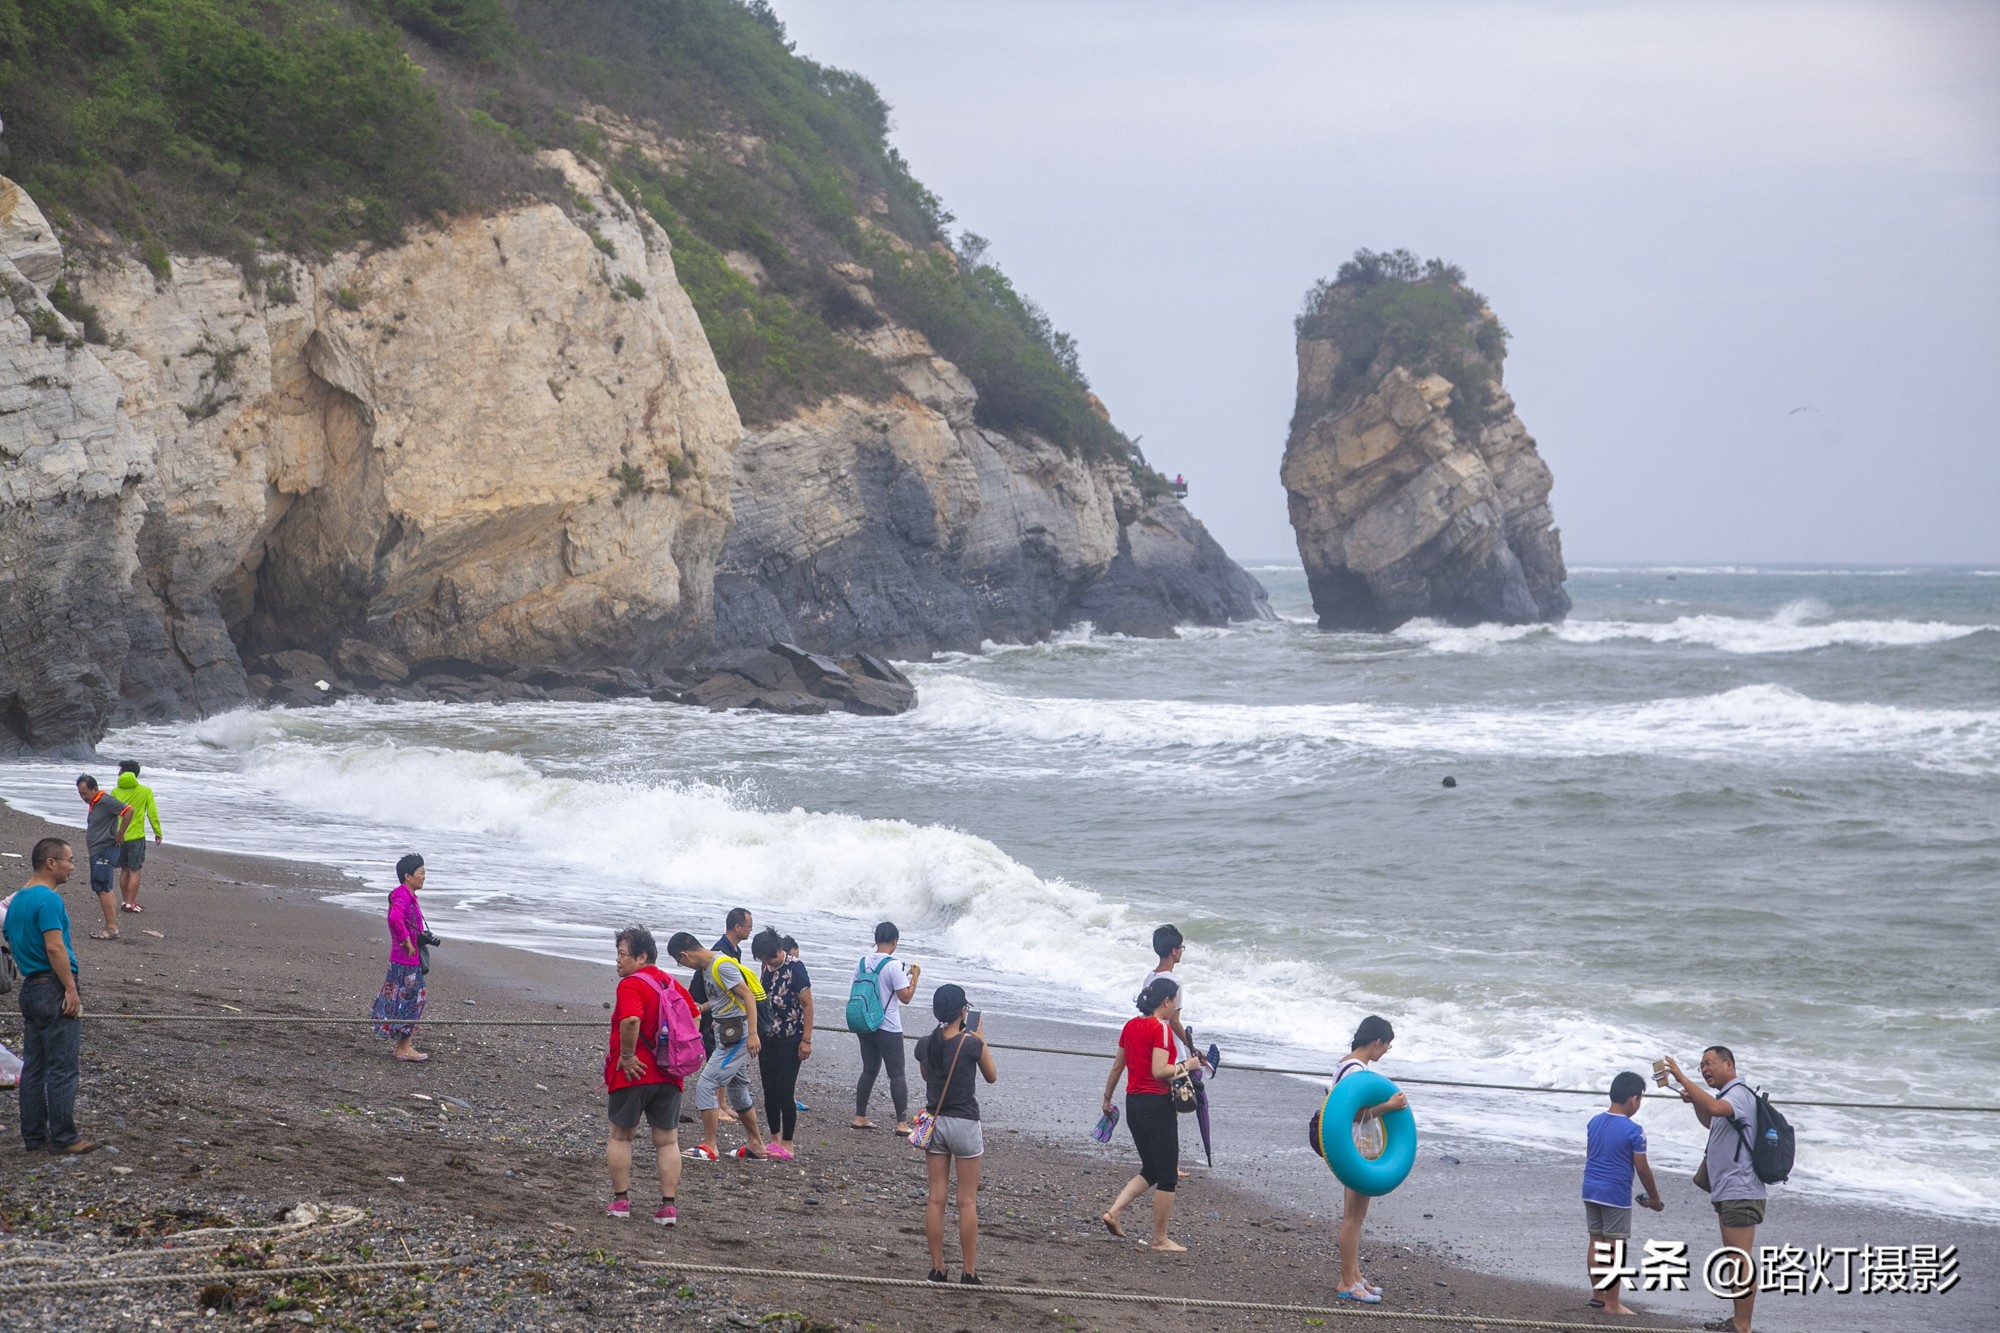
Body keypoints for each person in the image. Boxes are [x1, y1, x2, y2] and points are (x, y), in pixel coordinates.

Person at [5, 837, 98, 1154]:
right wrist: (70, 989)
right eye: (70, 860)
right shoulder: (48, 900)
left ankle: (34, 1137)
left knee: (34, 1066)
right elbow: (55, 946)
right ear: (51, 863)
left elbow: (10, 937)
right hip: (52, 984)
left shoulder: (17, 900)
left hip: (31, 986)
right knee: (62, 1066)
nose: (73, 866)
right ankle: (64, 1138)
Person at [1665, 1047, 1766, 1333]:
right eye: (1701, 1066)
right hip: (1730, 1190)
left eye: (1709, 1063)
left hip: (1741, 1190)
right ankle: (1737, 1320)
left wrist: (1682, 1078)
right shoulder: (1726, 1097)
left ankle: (1743, 1325)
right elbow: (1710, 1119)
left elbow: (1715, 1109)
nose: (1705, 1069)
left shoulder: (1740, 1094)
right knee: (1734, 1259)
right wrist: (1695, 1100)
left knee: (1739, 1260)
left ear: (1729, 1064)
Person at [1098, 976, 1201, 1251]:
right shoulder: (1162, 1029)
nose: (1175, 1006)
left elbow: (1118, 1065)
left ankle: (1114, 1212)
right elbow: (1159, 1071)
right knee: (1167, 1174)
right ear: (1166, 1002)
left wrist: (1107, 1098)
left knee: (1151, 1168)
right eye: (1175, 1001)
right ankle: (1160, 1239)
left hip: (1134, 1103)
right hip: (1156, 1105)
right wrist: (1187, 1065)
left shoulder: (1130, 1025)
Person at [605, 926, 693, 1225]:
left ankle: (620, 1202)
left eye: (622, 955)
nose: (617, 961)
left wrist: (627, 1057)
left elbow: (631, 1020)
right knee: (667, 1141)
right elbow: (694, 1014)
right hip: (669, 1071)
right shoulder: (671, 982)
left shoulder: (631, 984)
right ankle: (668, 1207)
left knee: (621, 1136)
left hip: (635, 1071)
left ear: (641, 956)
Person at [668, 931, 781, 1161]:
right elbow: (724, 997)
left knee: (706, 1083)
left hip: (737, 1036)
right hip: (726, 1032)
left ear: (684, 955)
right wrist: (704, 1008)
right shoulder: (710, 967)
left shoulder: (721, 965)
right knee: (738, 1090)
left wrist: (752, 1034)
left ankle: (710, 1146)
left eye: (679, 961)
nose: (683, 965)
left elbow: (747, 996)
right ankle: (757, 1145)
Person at [914, 983, 999, 1284]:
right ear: (963, 1011)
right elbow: (991, 1076)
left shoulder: (926, 1043)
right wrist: (982, 1040)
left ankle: (937, 1268)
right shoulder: (971, 1044)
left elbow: (926, 1074)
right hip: (964, 1123)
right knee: (967, 1201)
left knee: (936, 1198)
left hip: (935, 1125)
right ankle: (969, 1271)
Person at [1331, 1015, 1408, 1304]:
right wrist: (1388, 1106)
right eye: (1386, 1046)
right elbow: (1351, 1115)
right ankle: (1346, 1281)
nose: (1385, 1052)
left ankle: (1355, 1275)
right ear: (1377, 1042)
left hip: (1352, 1148)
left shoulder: (1347, 1063)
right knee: (1353, 1217)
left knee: (1355, 1215)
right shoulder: (1354, 1071)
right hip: (1356, 1149)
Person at [1583, 1071, 1665, 1315]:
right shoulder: (1634, 1131)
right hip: (1615, 1194)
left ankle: (1598, 1295)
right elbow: (1642, 1168)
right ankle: (1612, 1303)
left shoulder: (1594, 1122)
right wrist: (1655, 1198)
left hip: (1590, 1189)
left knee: (1596, 1241)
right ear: (1633, 1100)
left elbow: (1591, 1154)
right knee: (1615, 1246)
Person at [852, 920, 919, 1134]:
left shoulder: (862, 962)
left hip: (865, 1022)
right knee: (897, 1073)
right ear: (894, 942)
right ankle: (901, 1123)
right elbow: (905, 997)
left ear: (876, 940)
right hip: (888, 1025)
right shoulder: (894, 965)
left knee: (869, 1070)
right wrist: (915, 978)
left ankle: (860, 1116)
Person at [751, 927, 812, 1156]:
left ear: (778, 950)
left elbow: (807, 1005)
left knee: (785, 1091)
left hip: (791, 1037)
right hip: (768, 1037)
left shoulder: (796, 968)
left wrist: (806, 1040)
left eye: (770, 957)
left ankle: (788, 1142)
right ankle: (774, 1138)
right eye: (764, 960)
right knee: (769, 1089)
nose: (768, 962)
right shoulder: (766, 967)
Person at [371, 854, 431, 1063]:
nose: (424, 877)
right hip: (406, 961)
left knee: (407, 1000)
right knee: (411, 1001)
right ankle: (404, 1048)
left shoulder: (406, 895)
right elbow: (394, 918)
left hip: (406, 961)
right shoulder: (402, 895)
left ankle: (403, 1046)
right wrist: (406, 940)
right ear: (408, 876)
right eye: (421, 873)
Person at [74, 775, 132, 941]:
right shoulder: (96, 803)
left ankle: (111, 928)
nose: (83, 797)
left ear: (95, 789)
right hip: (100, 851)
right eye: (80, 794)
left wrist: (121, 833)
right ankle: (111, 926)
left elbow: (129, 810)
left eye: (85, 793)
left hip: (104, 850)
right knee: (106, 886)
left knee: (102, 887)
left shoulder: (106, 800)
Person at [690, 908, 753, 1055]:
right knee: (717, 1058)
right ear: (737, 927)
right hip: (713, 1014)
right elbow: (703, 984)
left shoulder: (735, 950)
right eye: (749, 926)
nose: (751, 930)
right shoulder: (721, 952)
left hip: (720, 1011)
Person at [111, 761, 164, 916]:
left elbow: (110, 814)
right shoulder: (145, 791)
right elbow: (152, 814)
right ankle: (130, 902)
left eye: (120, 770)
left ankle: (125, 901)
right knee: (135, 870)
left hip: (119, 835)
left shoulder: (115, 791)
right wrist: (158, 832)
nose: (118, 773)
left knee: (124, 869)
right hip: (136, 836)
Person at [1139, 924, 1194, 1051]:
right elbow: (1174, 1022)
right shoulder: (1175, 983)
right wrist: (1191, 1047)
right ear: (1174, 951)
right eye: (1181, 947)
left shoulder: (1149, 977)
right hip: (1171, 1048)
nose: (1182, 951)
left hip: (1152, 1044)